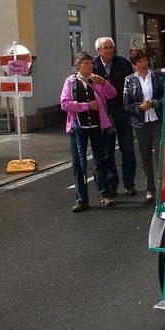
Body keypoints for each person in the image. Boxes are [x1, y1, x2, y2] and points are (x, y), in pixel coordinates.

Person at [61, 51, 117, 211]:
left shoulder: (96, 80)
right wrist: (86, 106)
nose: (89, 66)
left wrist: (104, 82)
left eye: (91, 63)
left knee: (100, 160)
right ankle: (81, 200)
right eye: (85, 63)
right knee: (78, 163)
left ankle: (104, 193)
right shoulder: (70, 81)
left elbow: (112, 94)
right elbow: (64, 104)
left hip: (97, 126)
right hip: (78, 128)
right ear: (78, 66)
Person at [93, 37, 137, 196]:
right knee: (107, 150)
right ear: (99, 50)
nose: (109, 50)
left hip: (122, 110)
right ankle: (112, 183)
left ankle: (129, 183)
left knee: (128, 149)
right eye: (105, 48)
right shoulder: (93, 65)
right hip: (104, 113)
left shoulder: (123, 63)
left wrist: (130, 105)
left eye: (111, 47)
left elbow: (132, 84)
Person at [123, 49, 164, 203]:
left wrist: (154, 103)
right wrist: (138, 108)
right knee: (145, 157)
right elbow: (126, 103)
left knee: (160, 155)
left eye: (145, 60)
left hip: (157, 120)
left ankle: (163, 188)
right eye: (140, 61)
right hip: (140, 123)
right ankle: (149, 189)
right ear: (134, 65)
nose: (144, 64)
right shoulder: (129, 80)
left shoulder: (157, 76)